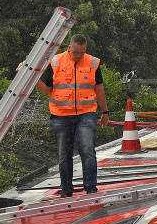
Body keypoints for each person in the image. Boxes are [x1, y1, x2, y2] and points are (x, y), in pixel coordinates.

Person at [35, 34, 110, 197]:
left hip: (86, 114)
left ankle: (90, 188)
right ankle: (66, 190)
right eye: (76, 52)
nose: (79, 56)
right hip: (60, 115)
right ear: (69, 48)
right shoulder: (55, 62)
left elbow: (99, 89)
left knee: (88, 150)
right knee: (64, 155)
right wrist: (32, 78)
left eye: (82, 53)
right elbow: (45, 89)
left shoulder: (93, 63)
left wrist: (105, 112)